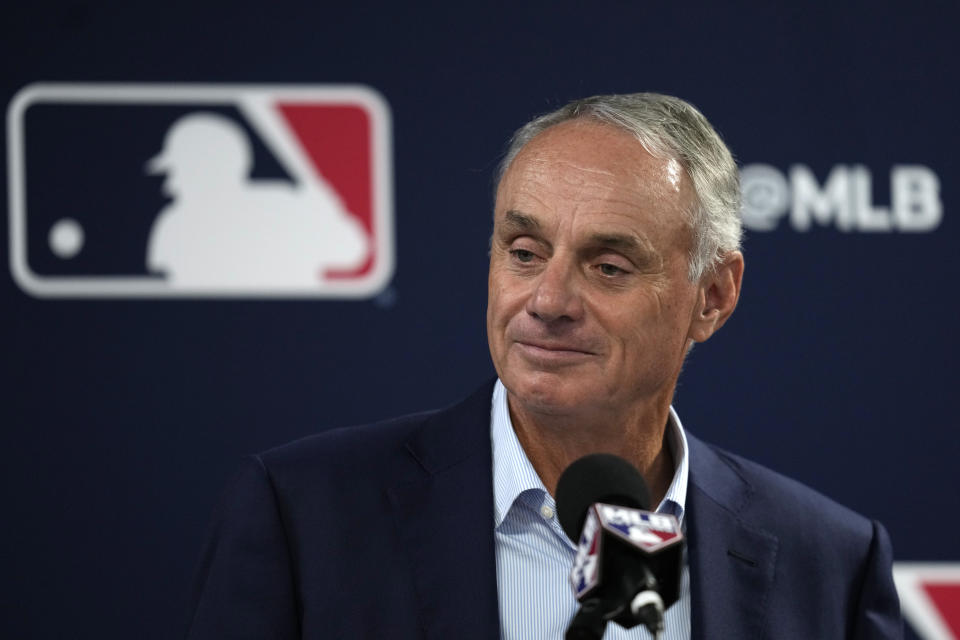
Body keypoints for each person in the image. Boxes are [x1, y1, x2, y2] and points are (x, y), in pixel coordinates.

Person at [185, 93, 902, 639]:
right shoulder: (302, 516)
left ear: (712, 297)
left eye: (609, 266)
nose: (549, 300)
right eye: (524, 253)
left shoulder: (832, 565)